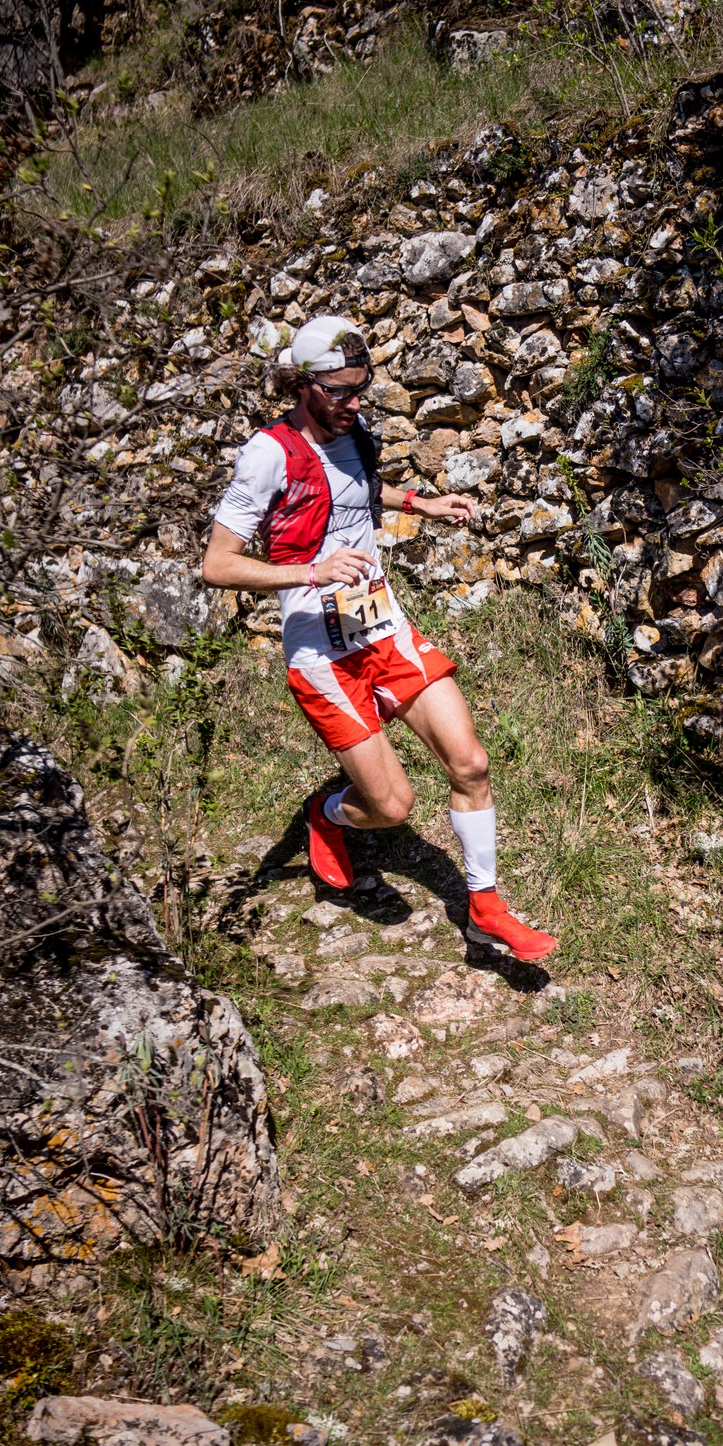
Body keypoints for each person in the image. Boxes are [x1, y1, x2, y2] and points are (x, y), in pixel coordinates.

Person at [200, 314, 558, 962]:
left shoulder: (355, 431)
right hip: (320, 653)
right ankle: (328, 814)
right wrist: (311, 571)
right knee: (392, 807)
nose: (353, 403)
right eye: (338, 391)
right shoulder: (268, 455)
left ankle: (484, 907)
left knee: (471, 764)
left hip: (381, 627)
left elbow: (358, 489)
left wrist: (421, 503)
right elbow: (217, 564)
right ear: (302, 384)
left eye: (360, 389)